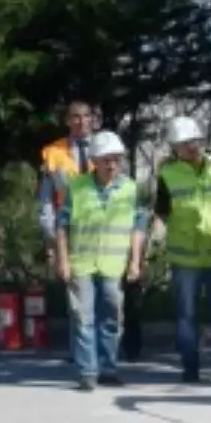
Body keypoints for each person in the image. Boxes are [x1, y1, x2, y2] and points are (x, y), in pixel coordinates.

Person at [54, 131, 147, 391]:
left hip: (113, 264)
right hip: (82, 262)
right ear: (95, 160)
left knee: (112, 319)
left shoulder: (129, 189)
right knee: (83, 318)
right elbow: (62, 225)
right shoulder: (77, 186)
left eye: (116, 159)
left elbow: (138, 227)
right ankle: (88, 372)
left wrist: (135, 262)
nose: (112, 165)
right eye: (106, 160)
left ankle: (108, 368)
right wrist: (62, 259)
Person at [154, 115, 211, 382]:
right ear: (174, 148)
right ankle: (190, 366)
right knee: (186, 316)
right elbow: (161, 211)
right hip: (185, 257)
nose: (191, 147)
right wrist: (157, 233)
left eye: (194, 141)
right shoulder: (168, 175)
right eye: (184, 144)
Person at [37, 100, 94, 364]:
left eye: (85, 116)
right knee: (76, 294)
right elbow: (46, 200)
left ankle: (100, 353)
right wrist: (49, 235)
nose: (81, 122)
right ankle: (80, 353)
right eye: (75, 117)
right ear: (67, 121)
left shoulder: (105, 149)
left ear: (92, 119)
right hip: (67, 232)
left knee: (104, 294)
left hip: (100, 232)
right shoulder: (54, 153)